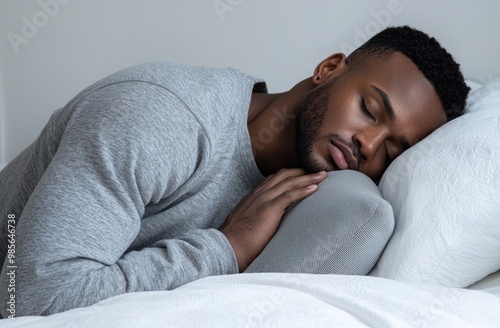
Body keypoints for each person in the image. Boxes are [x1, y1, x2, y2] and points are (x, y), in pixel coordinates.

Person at [0, 25, 469, 317]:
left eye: (392, 149)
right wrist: (229, 245)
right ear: (328, 69)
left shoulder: (304, 193)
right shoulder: (163, 117)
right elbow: (32, 304)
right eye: (369, 109)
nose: (368, 145)